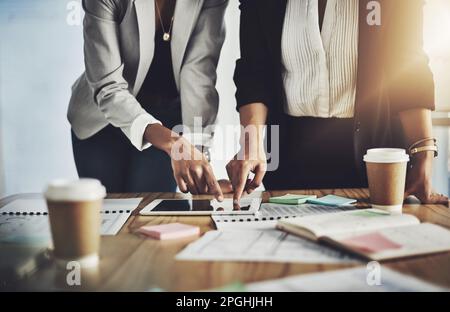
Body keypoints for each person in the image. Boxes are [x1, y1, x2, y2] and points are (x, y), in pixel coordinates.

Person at [227, 0, 448, 205]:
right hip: (289, 161)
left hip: (378, 161)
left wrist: (423, 157)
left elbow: (409, 65)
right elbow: (254, 70)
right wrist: (250, 144)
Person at [68, 0, 228, 199]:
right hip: (102, 120)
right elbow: (108, 87)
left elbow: (199, 74)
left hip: (168, 121)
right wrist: (175, 143)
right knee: (108, 217)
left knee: (153, 214)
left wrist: (197, 154)